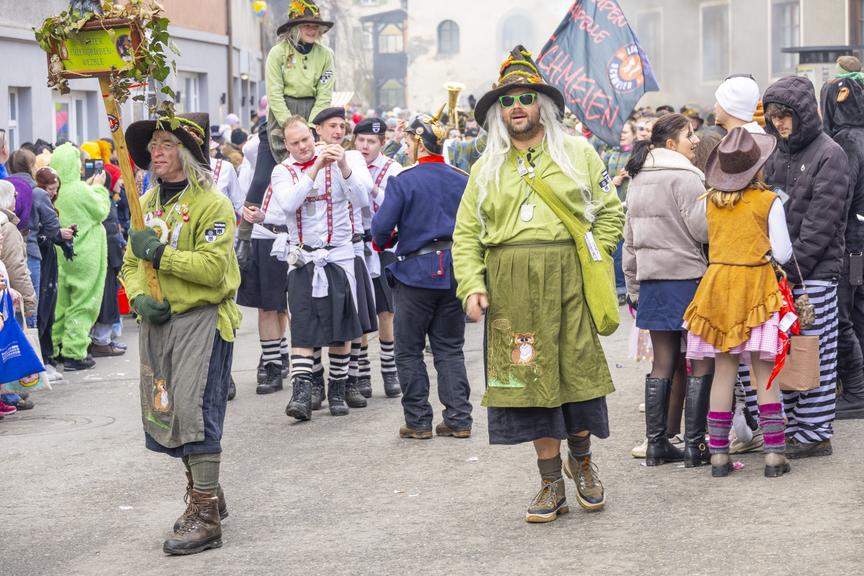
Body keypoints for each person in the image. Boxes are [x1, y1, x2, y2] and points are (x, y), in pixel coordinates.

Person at [452, 46, 624, 523]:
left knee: (577, 376)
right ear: (498, 112)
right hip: (512, 294)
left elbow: (611, 213)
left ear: (541, 104)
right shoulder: (484, 168)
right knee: (528, 382)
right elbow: (466, 235)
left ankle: (582, 463)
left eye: (525, 98)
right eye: (507, 101)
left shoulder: (579, 153)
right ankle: (550, 481)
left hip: (569, 285)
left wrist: (594, 257)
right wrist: (472, 285)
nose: (516, 107)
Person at [123, 112, 241, 555]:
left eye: (166, 144)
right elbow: (130, 263)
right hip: (159, 323)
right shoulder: (145, 203)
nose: (155, 151)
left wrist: (161, 254)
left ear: (187, 154)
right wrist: (138, 297)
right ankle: (206, 491)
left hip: (202, 319)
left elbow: (213, 270)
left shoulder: (213, 204)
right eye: (153, 144)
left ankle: (206, 516)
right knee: (169, 412)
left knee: (196, 413)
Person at [683, 127, 793, 477]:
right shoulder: (768, 201)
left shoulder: (710, 201)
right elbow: (783, 253)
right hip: (756, 286)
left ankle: (718, 456)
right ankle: (774, 455)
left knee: (723, 373)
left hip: (717, 287)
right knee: (765, 374)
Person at [244, 115, 369, 420]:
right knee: (302, 323)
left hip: (338, 255)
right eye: (295, 143)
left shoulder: (341, 160)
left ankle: (337, 389)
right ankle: (302, 392)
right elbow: (289, 204)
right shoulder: (282, 171)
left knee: (341, 326)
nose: (302, 147)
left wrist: (343, 166)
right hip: (303, 256)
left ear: (313, 136)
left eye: (305, 140)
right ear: (286, 146)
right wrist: (314, 168)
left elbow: (361, 199)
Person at [762, 75, 850, 459]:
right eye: (774, 116)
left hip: (815, 274)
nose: (779, 123)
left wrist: (789, 271)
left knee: (815, 351)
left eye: (785, 115)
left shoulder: (831, 154)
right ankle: (792, 428)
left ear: (804, 113)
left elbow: (821, 225)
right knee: (785, 351)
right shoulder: (774, 152)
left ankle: (814, 434)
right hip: (780, 271)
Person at [372, 110, 474, 440]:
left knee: (408, 350)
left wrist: (384, 242)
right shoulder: (461, 178)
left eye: (407, 142)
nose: (406, 148)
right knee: (449, 348)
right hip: (455, 270)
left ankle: (418, 421)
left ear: (419, 144)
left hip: (415, 273)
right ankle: (459, 418)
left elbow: (381, 229)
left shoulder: (404, 180)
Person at [623, 113, 713, 468]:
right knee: (700, 360)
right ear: (672, 143)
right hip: (687, 279)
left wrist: (633, 285)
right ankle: (695, 445)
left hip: (652, 281)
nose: (696, 140)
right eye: (690, 135)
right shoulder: (686, 176)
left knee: (662, 362)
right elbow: (703, 231)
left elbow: (629, 241)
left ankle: (657, 444)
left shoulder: (637, 178)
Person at [237, 0, 335, 248]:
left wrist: (311, 127)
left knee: (319, 176)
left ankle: (317, 232)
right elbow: (274, 94)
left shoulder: (326, 55)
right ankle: (245, 237)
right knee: (261, 178)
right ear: (294, 27)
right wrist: (288, 126)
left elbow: (325, 94)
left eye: (315, 25)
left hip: (313, 115)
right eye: (306, 25)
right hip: (279, 116)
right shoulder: (278, 53)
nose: (312, 29)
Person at [312, 107, 377, 407]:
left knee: (351, 318)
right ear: (318, 129)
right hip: (311, 251)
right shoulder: (306, 155)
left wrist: (343, 166)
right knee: (313, 319)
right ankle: (314, 382)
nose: (338, 131)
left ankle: (350, 380)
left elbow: (363, 198)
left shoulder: (353, 158)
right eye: (332, 126)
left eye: (341, 126)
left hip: (347, 249)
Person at [821, 75, 864, 419]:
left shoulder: (846, 140)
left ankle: (856, 391)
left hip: (851, 241)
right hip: (859, 239)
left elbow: (840, 198)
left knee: (843, 315)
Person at [354, 116, 403, 398]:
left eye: (371, 141)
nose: (365, 146)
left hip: (383, 241)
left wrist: (372, 188)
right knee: (361, 311)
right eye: (360, 140)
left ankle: (389, 369)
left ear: (382, 143)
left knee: (386, 310)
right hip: (355, 241)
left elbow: (395, 204)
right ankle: (362, 372)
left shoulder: (391, 168)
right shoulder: (348, 163)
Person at [50, 143, 110, 370]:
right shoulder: (81, 190)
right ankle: (74, 353)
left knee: (59, 304)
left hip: (61, 255)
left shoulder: (54, 191)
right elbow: (101, 210)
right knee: (83, 303)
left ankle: (54, 348)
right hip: (85, 255)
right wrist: (99, 188)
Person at [33, 166, 73, 383]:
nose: (54, 193)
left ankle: (47, 360)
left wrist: (59, 234)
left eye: (56, 189)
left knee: (48, 310)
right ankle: (42, 361)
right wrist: (58, 234)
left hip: (48, 259)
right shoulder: (37, 199)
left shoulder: (44, 201)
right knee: (42, 311)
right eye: (51, 189)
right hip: (41, 260)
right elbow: (43, 233)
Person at [602, 120, 636, 305]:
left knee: (631, 250)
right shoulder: (609, 154)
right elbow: (599, 178)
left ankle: (633, 287)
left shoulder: (637, 154)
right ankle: (620, 288)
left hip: (632, 206)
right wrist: (611, 181)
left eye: (625, 132)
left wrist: (631, 174)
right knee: (617, 251)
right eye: (620, 132)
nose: (622, 135)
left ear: (633, 134)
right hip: (614, 207)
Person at [0, 180, 37, 323]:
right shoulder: (7, 228)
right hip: (10, 300)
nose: (17, 198)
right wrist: (28, 301)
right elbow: (15, 267)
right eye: (15, 195)